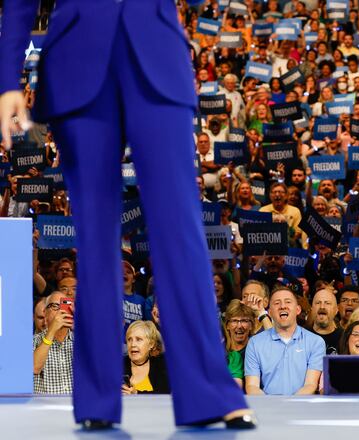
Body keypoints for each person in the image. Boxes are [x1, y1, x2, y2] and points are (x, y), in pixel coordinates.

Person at [0, 0, 253, 429]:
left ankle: (208, 392)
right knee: (96, 242)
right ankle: (98, 399)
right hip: (77, 59)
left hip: (155, 52)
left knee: (180, 231)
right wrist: (8, 78)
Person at [244, 286, 325, 395]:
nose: (282, 306)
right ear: (270, 312)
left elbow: (310, 384)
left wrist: (290, 407)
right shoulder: (255, 343)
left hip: (301, 408)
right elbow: (252, 386)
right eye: (277, 303)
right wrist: (270, 408)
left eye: (288, 302)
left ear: (298, 310)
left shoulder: (315, 342)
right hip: (267, 409)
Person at [33, 291, 74, 394]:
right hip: (45, 408)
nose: (61, 310)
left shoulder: (81, 340)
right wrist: (51, 331)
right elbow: (34, 368)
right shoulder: (33, 341)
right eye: (55, 306)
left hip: (77, 407)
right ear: (45, 313)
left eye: (65, 304)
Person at [122, 320, 169, 395]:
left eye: (138, 339)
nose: (133, 344)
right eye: (129, 340)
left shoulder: (161, 364)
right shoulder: (119, 365)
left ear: (151, 344)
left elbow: (163, 394)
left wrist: (136, 394)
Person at [222, 300, 259, 387]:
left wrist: (262, 313)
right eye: (234, 321)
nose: (239, 326)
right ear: (227, 325)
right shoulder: (219, 350)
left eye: (244, 321)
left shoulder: (258, 348)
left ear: (251, 325)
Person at [308, 288, 344, 354]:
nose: (322, 307)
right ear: (312, 309)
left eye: (327, 303)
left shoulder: (344, 338)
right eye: (318, 303)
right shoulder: (300, 337)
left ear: (336, 310)